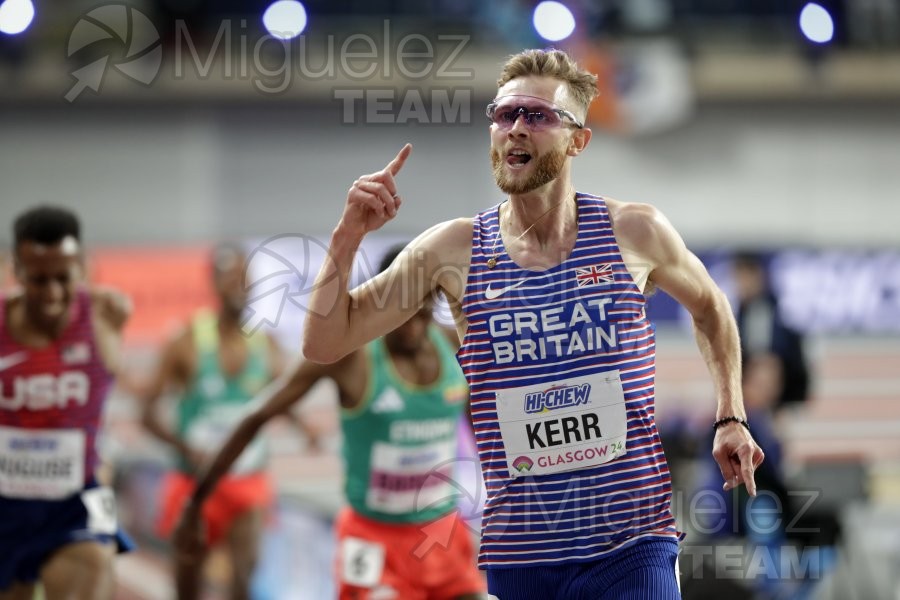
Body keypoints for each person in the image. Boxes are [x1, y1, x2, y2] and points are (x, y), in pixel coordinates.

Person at [301, 48, 765, 599]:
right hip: (523, 557)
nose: (516, 128)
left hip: (631, 544)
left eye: (538, 116)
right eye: (504, 114)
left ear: (577, 140)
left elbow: (711, 307)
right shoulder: (454, 251)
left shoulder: (634, 232)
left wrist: (730, 415)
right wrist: (346, 236)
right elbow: (325, 342)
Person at [173, 244, 486, 600]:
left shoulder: (451, 345)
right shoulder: (350, 356)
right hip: (373, 541)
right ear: (382, 300)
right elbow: (256, 415)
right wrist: (195, 502)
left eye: (424, 309)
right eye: (404, 312)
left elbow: (481, 424)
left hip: (441, 534)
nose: (414, 325)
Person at [140, 242, 286, 600]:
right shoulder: (186, 342)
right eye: (229, 278)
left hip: (246, 481)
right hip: (194, 483)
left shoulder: (265, 345)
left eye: (244, 279)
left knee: (243, 580)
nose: (238, 287)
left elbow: (284, 398)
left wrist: (305, 426)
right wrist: (184, 447)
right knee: (187, 586)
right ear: (213, 283)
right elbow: (146, 413)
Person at [0, 206, 133, 600]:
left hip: (82, 495)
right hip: (5, 503)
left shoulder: (105, 315)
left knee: (97, 569)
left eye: (64, 277)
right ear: (17, 271)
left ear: (82, 267)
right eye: (39, 280)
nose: (54, 293)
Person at [732, 251, 810, 410]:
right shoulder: (740, 313)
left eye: (745, 277)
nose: (741, 284)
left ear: (757, 276)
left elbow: (782, 354)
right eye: (738, 278)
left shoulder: (776, 310)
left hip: (782, 387)